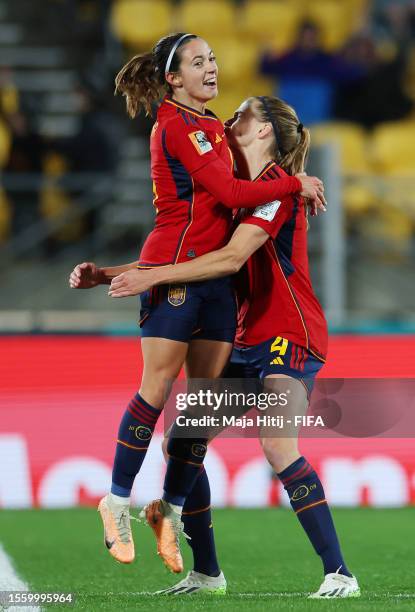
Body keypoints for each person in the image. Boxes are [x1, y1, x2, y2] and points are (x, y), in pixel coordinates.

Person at [69, 33, 326, 567]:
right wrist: (292, 183)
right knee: (160, 391)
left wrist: (291, 178)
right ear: (172, 78)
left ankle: (174, 513)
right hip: (181, 278)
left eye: (213, 58)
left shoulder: (212, 130)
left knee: (193, 425)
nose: (211, 67)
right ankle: (116, 501)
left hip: (216, 291)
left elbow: (227, 235)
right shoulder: (178, 125)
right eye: (197, 62)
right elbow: (230, 200)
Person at [109, 96, 360, 599]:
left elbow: (228, 260)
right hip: (246, 336)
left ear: (264, 130)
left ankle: (340, 574)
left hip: (289, 333)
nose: (229, 119)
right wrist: (109, 274)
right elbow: (189, 252)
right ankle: (207, 574)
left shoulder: (274, 192)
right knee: (182, 440)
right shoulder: (234, 195)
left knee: (276, 443)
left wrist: (148, 279)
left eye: (242, 114)